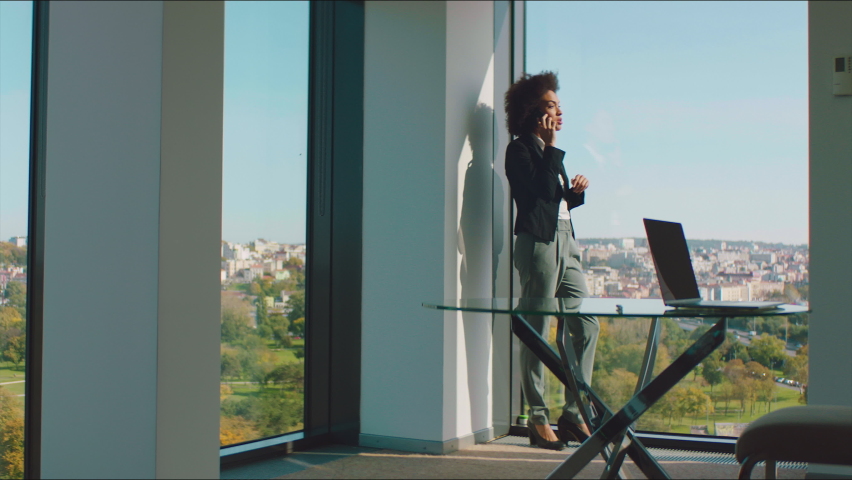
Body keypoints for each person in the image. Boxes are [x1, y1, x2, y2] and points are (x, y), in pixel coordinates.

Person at [503, 71, 599, 451]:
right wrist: (551, 147)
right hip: (538, 246)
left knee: (587, 325)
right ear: (533, 110)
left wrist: (573, 194)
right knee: (536, 331)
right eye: (552, 105)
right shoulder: (520, 149)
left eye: (558, 105)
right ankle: (538, 419)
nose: (559, 111)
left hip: (566, 243)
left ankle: (574, 414)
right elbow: (538, 194)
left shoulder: (546, 152)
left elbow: (553, 200)